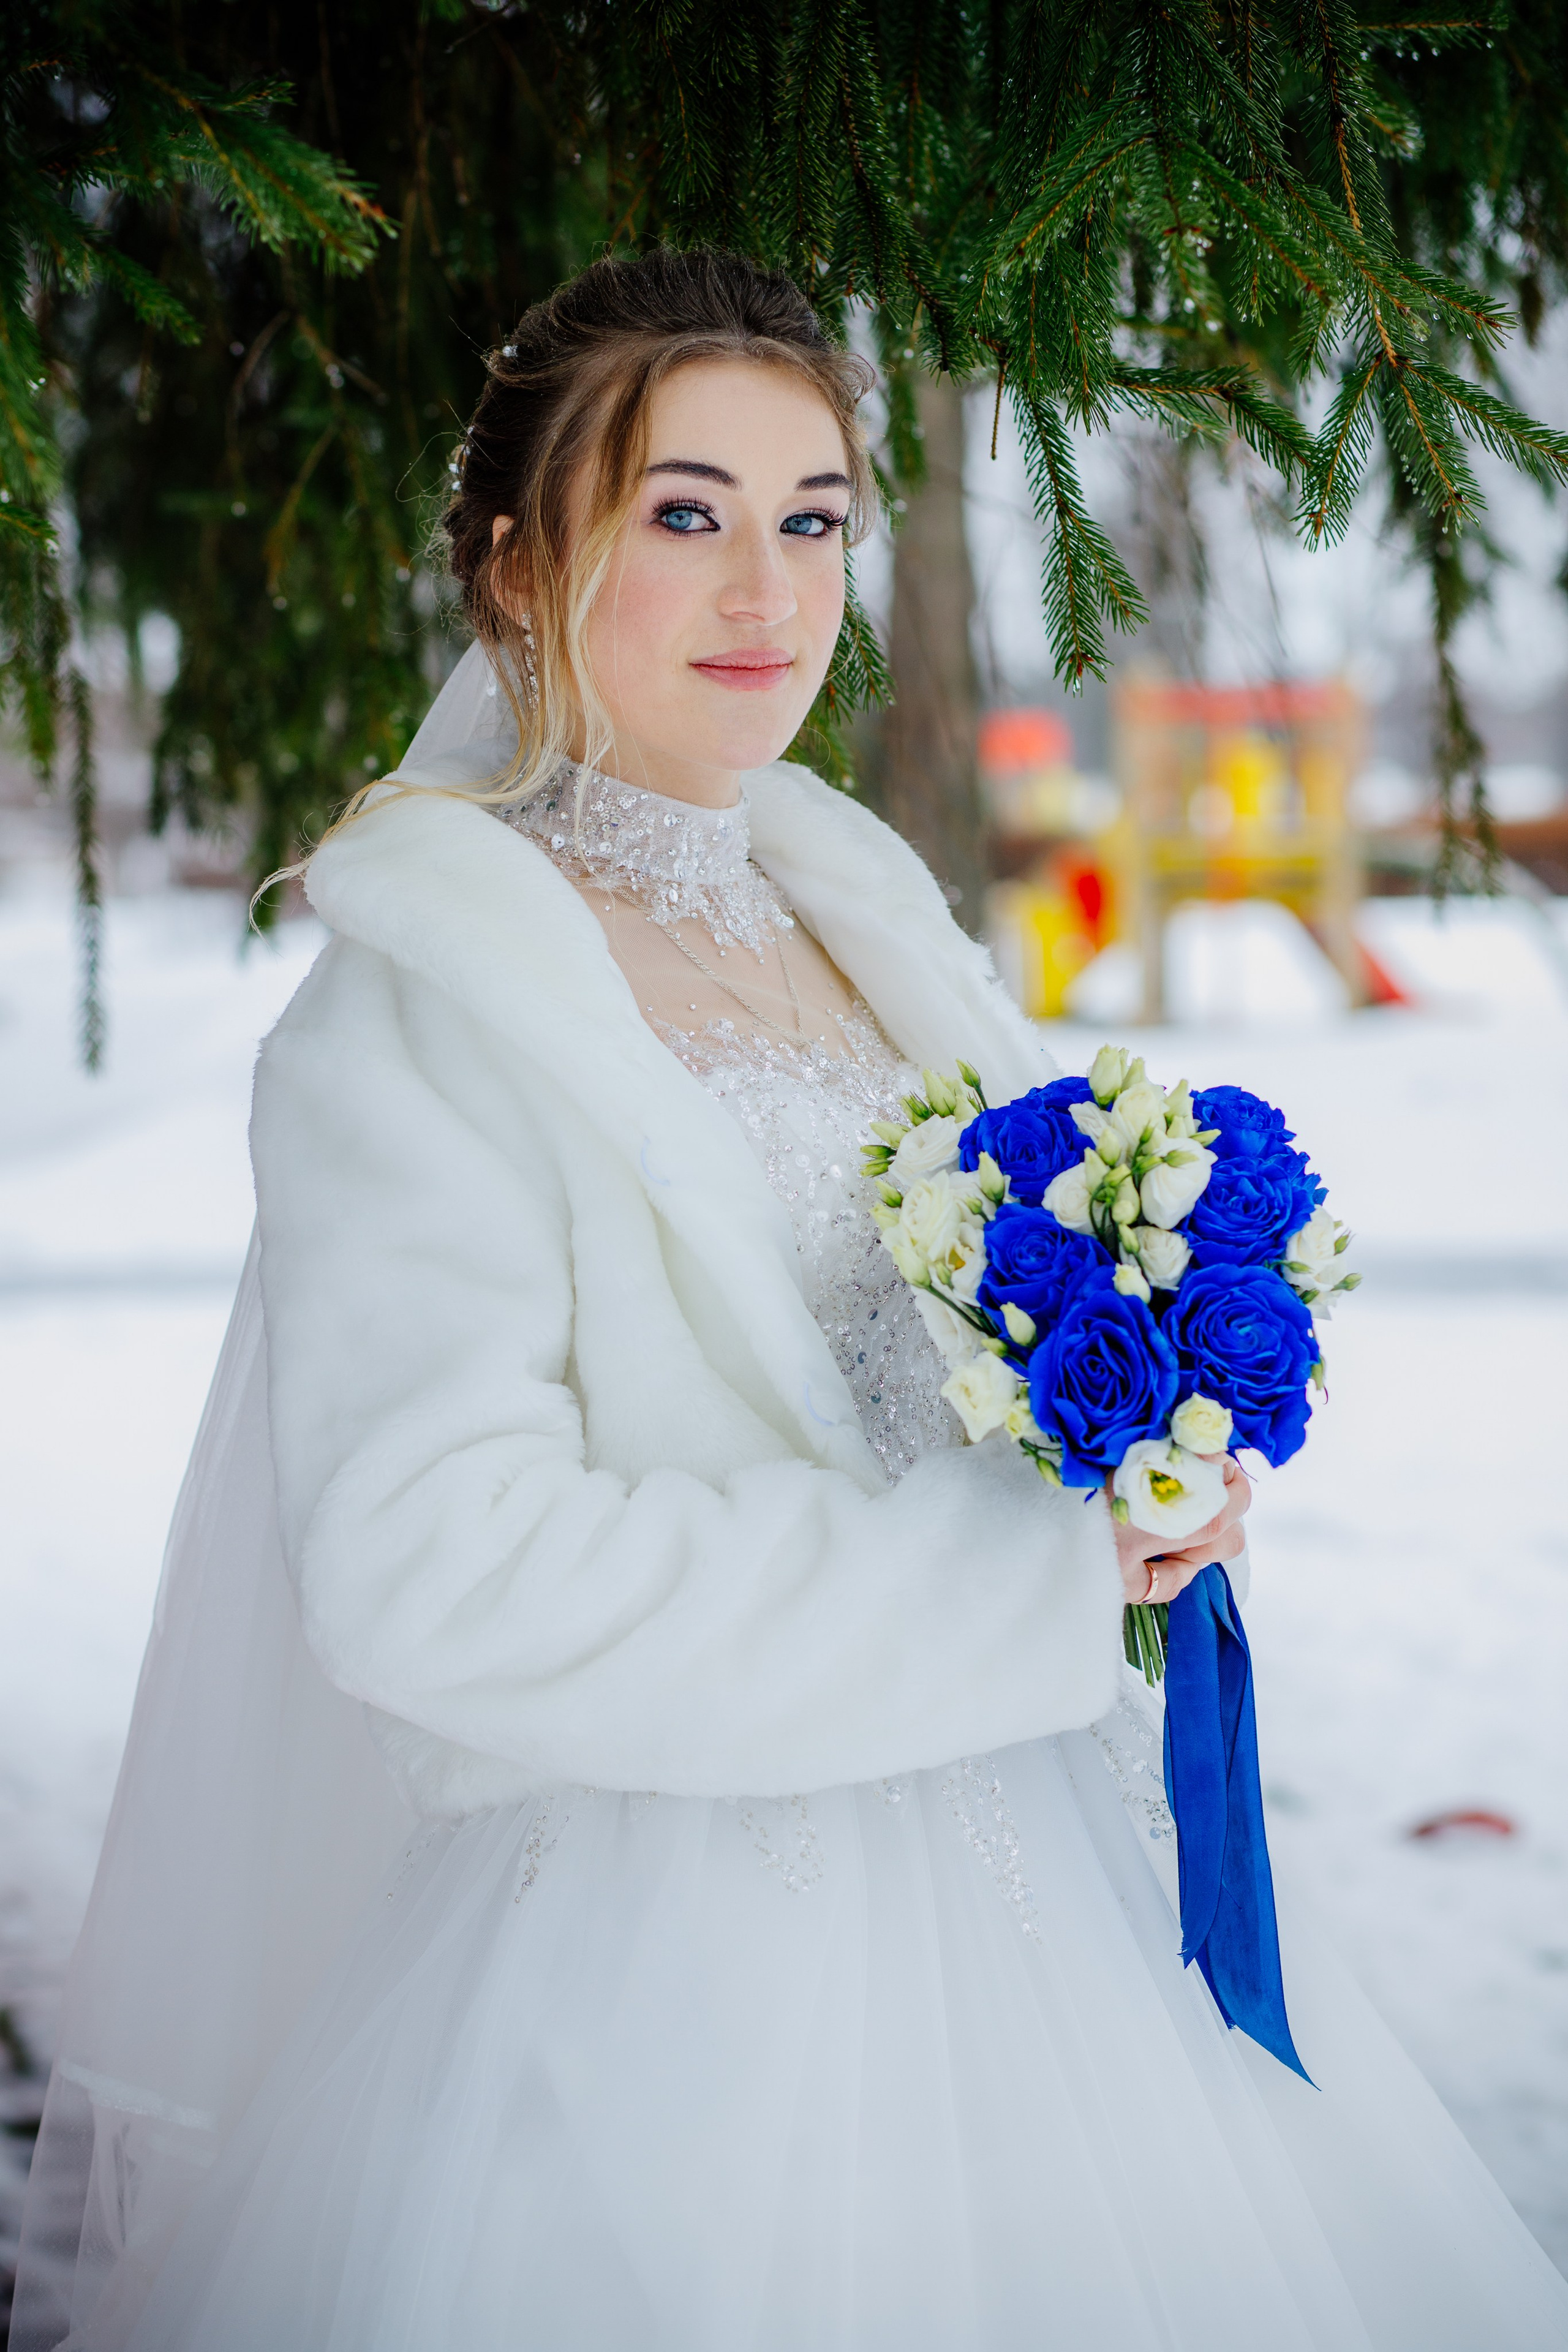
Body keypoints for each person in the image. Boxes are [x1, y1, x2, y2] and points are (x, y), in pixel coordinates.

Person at [14, 247, 1568, 2352]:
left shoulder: (867, 927)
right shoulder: (427, 1014)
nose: (771, 589)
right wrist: (1006, 1588)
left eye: (815, 517)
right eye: (686, 515)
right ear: (510, 561)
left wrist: (1148, 1480)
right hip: (667, 1997)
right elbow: (432, 1575)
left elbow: (988, 1383)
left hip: (1059, 1897)